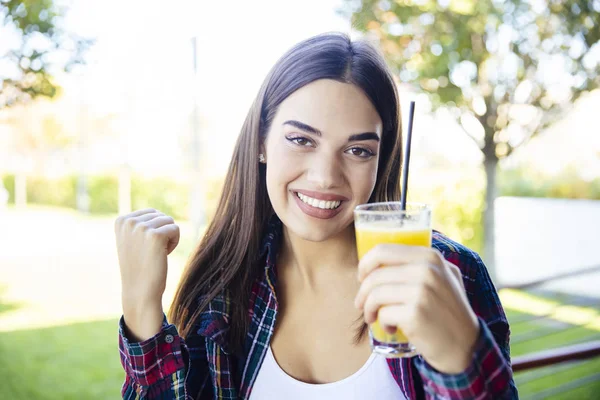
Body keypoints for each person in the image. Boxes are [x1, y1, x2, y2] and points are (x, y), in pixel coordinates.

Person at [114, 32, 518, 399]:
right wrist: (141, 311)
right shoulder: (223, 291)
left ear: (382, 159)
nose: (326, 177)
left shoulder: (451, 273)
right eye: (301, 140)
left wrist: (460, 355)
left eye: (359, 150)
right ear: (261, 142)